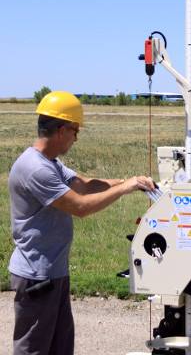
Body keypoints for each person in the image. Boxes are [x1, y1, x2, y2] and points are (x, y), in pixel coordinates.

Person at [8, 91, 155, 355]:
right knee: (34, 350)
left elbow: (85, 185)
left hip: (53, 272)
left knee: (60, 347)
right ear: (62, 130)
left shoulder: (50, 163)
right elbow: (80, 206)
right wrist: (124, 189)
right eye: (76, 131)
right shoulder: (35, 168)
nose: (76, 138)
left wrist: (131, 182)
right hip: (36, 276)